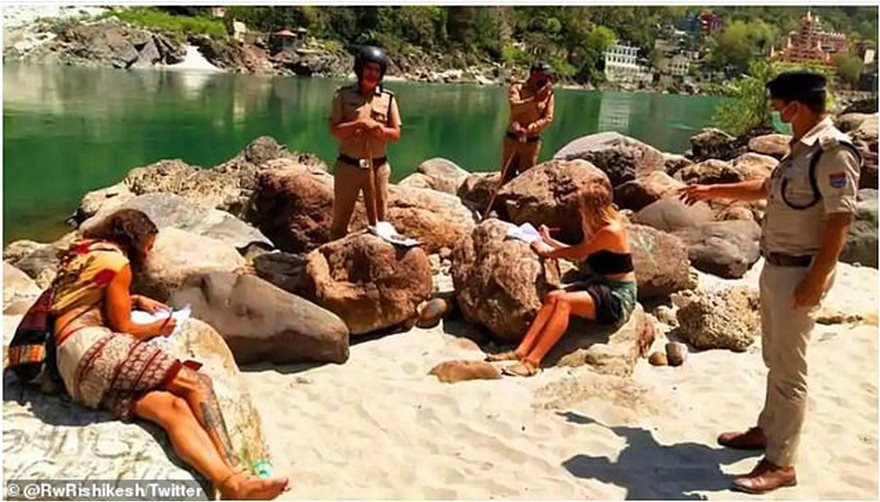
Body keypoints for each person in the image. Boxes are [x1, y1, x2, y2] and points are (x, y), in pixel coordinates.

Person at [679, 71, 862, 494]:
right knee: (774, 359)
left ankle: (781, 463)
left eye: (780, 107)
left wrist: (816, 279)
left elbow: (840, 220)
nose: (778, 113)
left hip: (800, 271)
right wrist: (714, 190)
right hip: (777, 267)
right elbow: (768, 187)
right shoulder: (801, 149)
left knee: (789, 370)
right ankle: (767, 429)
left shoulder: (833, 151)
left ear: (796, 106)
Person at [50, 209, 289, 500]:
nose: (148, 254)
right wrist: (160, 327)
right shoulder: (117, 263)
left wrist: (135, 299)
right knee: (196, 383)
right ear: (135, 241)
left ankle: (229, 485)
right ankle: (238, 470)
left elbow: (84, 297)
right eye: (148, 247)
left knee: (172, 409)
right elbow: (125, 327)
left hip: (74, 370)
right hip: (94, 347)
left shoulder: (84, 251)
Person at [485, 179, 638, 376]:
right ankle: (521, 351)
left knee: (564, 302)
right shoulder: (597, 224)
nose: (579, 208)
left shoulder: (611, 230)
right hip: (601, 285)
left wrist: (548, 251)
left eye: (582, 204)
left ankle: (532, 362)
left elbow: (579, 253)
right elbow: (582, 253)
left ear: (592, 206)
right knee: (552, 297)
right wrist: (549, 241)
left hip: (618, 295)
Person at [329, 45, 402, 240]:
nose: (372, 73)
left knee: (380, 224)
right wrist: (359, 124)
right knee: (339, 224)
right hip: (348, 168)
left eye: (377, 70)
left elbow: (396, 133)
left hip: (378, 168)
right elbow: (335, 130)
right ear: (360, 68)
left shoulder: (388, 99)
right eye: (368, 68)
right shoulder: (342, 95)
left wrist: (379, 130)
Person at [500, 61, 556, 183]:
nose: (548, 78)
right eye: (545, 75)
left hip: (531, 143)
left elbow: (548, 118)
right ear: (534, 74)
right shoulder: (518, 88)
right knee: (506, 177)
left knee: (527, 180)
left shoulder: (548, 94)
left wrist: (529, 129)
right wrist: (535, 100)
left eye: (549, 76)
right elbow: (515, 107)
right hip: (512, 140)